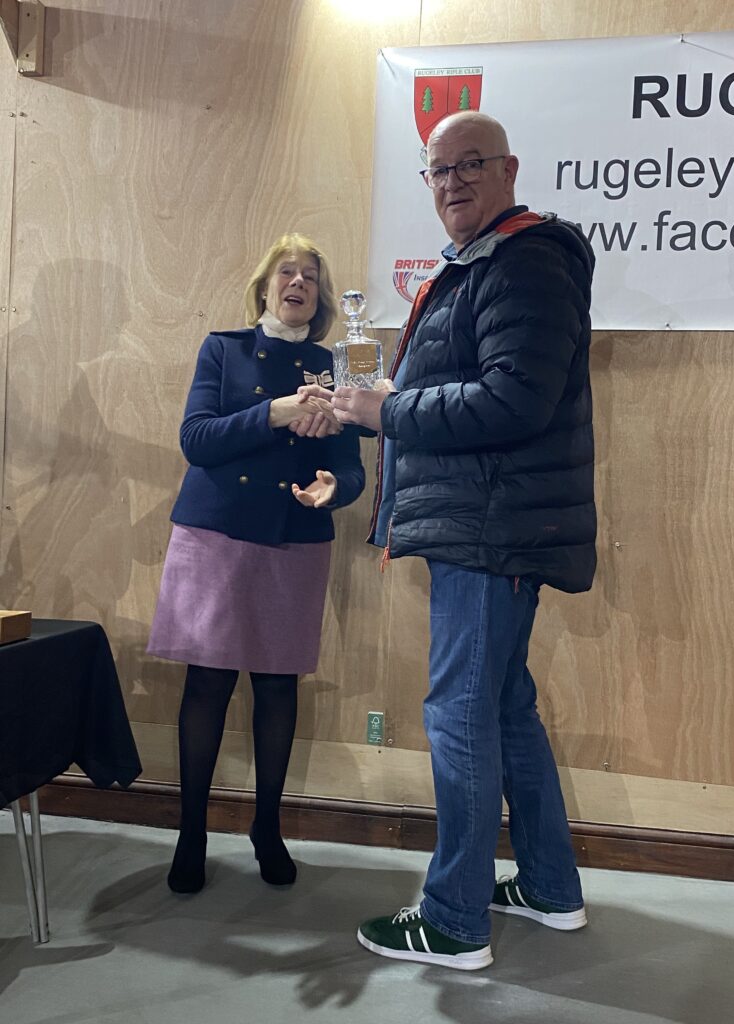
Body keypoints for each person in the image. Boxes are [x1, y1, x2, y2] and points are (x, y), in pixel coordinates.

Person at [302, 111, 596, 970]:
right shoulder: (485, 264)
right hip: (491, 522)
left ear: (509, 169)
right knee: (503, 708)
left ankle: (455, 918)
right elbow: (473, 392)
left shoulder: (526, 258)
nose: (454, 181)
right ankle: (548, 883)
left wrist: (386, 408)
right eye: (439, 171)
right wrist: (376, 404)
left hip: (490, 532)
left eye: (472, 164)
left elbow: (513, 402)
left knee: (460, 715)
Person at [147, 233, 364, 894]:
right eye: (285, 272)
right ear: (265, 286)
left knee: (276, 687)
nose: (297, 282)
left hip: (296, 538)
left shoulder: (342, 363)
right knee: (207, 683)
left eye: (309, 276)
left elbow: (352, 469)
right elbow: (196, 439)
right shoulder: (225, 349)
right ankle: (190, 831)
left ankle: (266, 827)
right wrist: (274, 412)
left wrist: (335, 490)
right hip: (216, 535)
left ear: (320, 298)